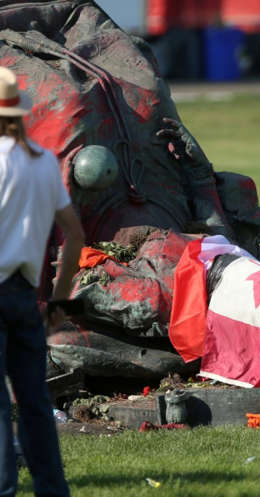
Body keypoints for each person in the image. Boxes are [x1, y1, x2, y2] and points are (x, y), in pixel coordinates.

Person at [0, 67, 83, 497]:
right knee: (34, 402)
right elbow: (74, 233)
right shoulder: (43, 162)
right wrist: (59, 301)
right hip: (25, 294)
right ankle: (52, 488)